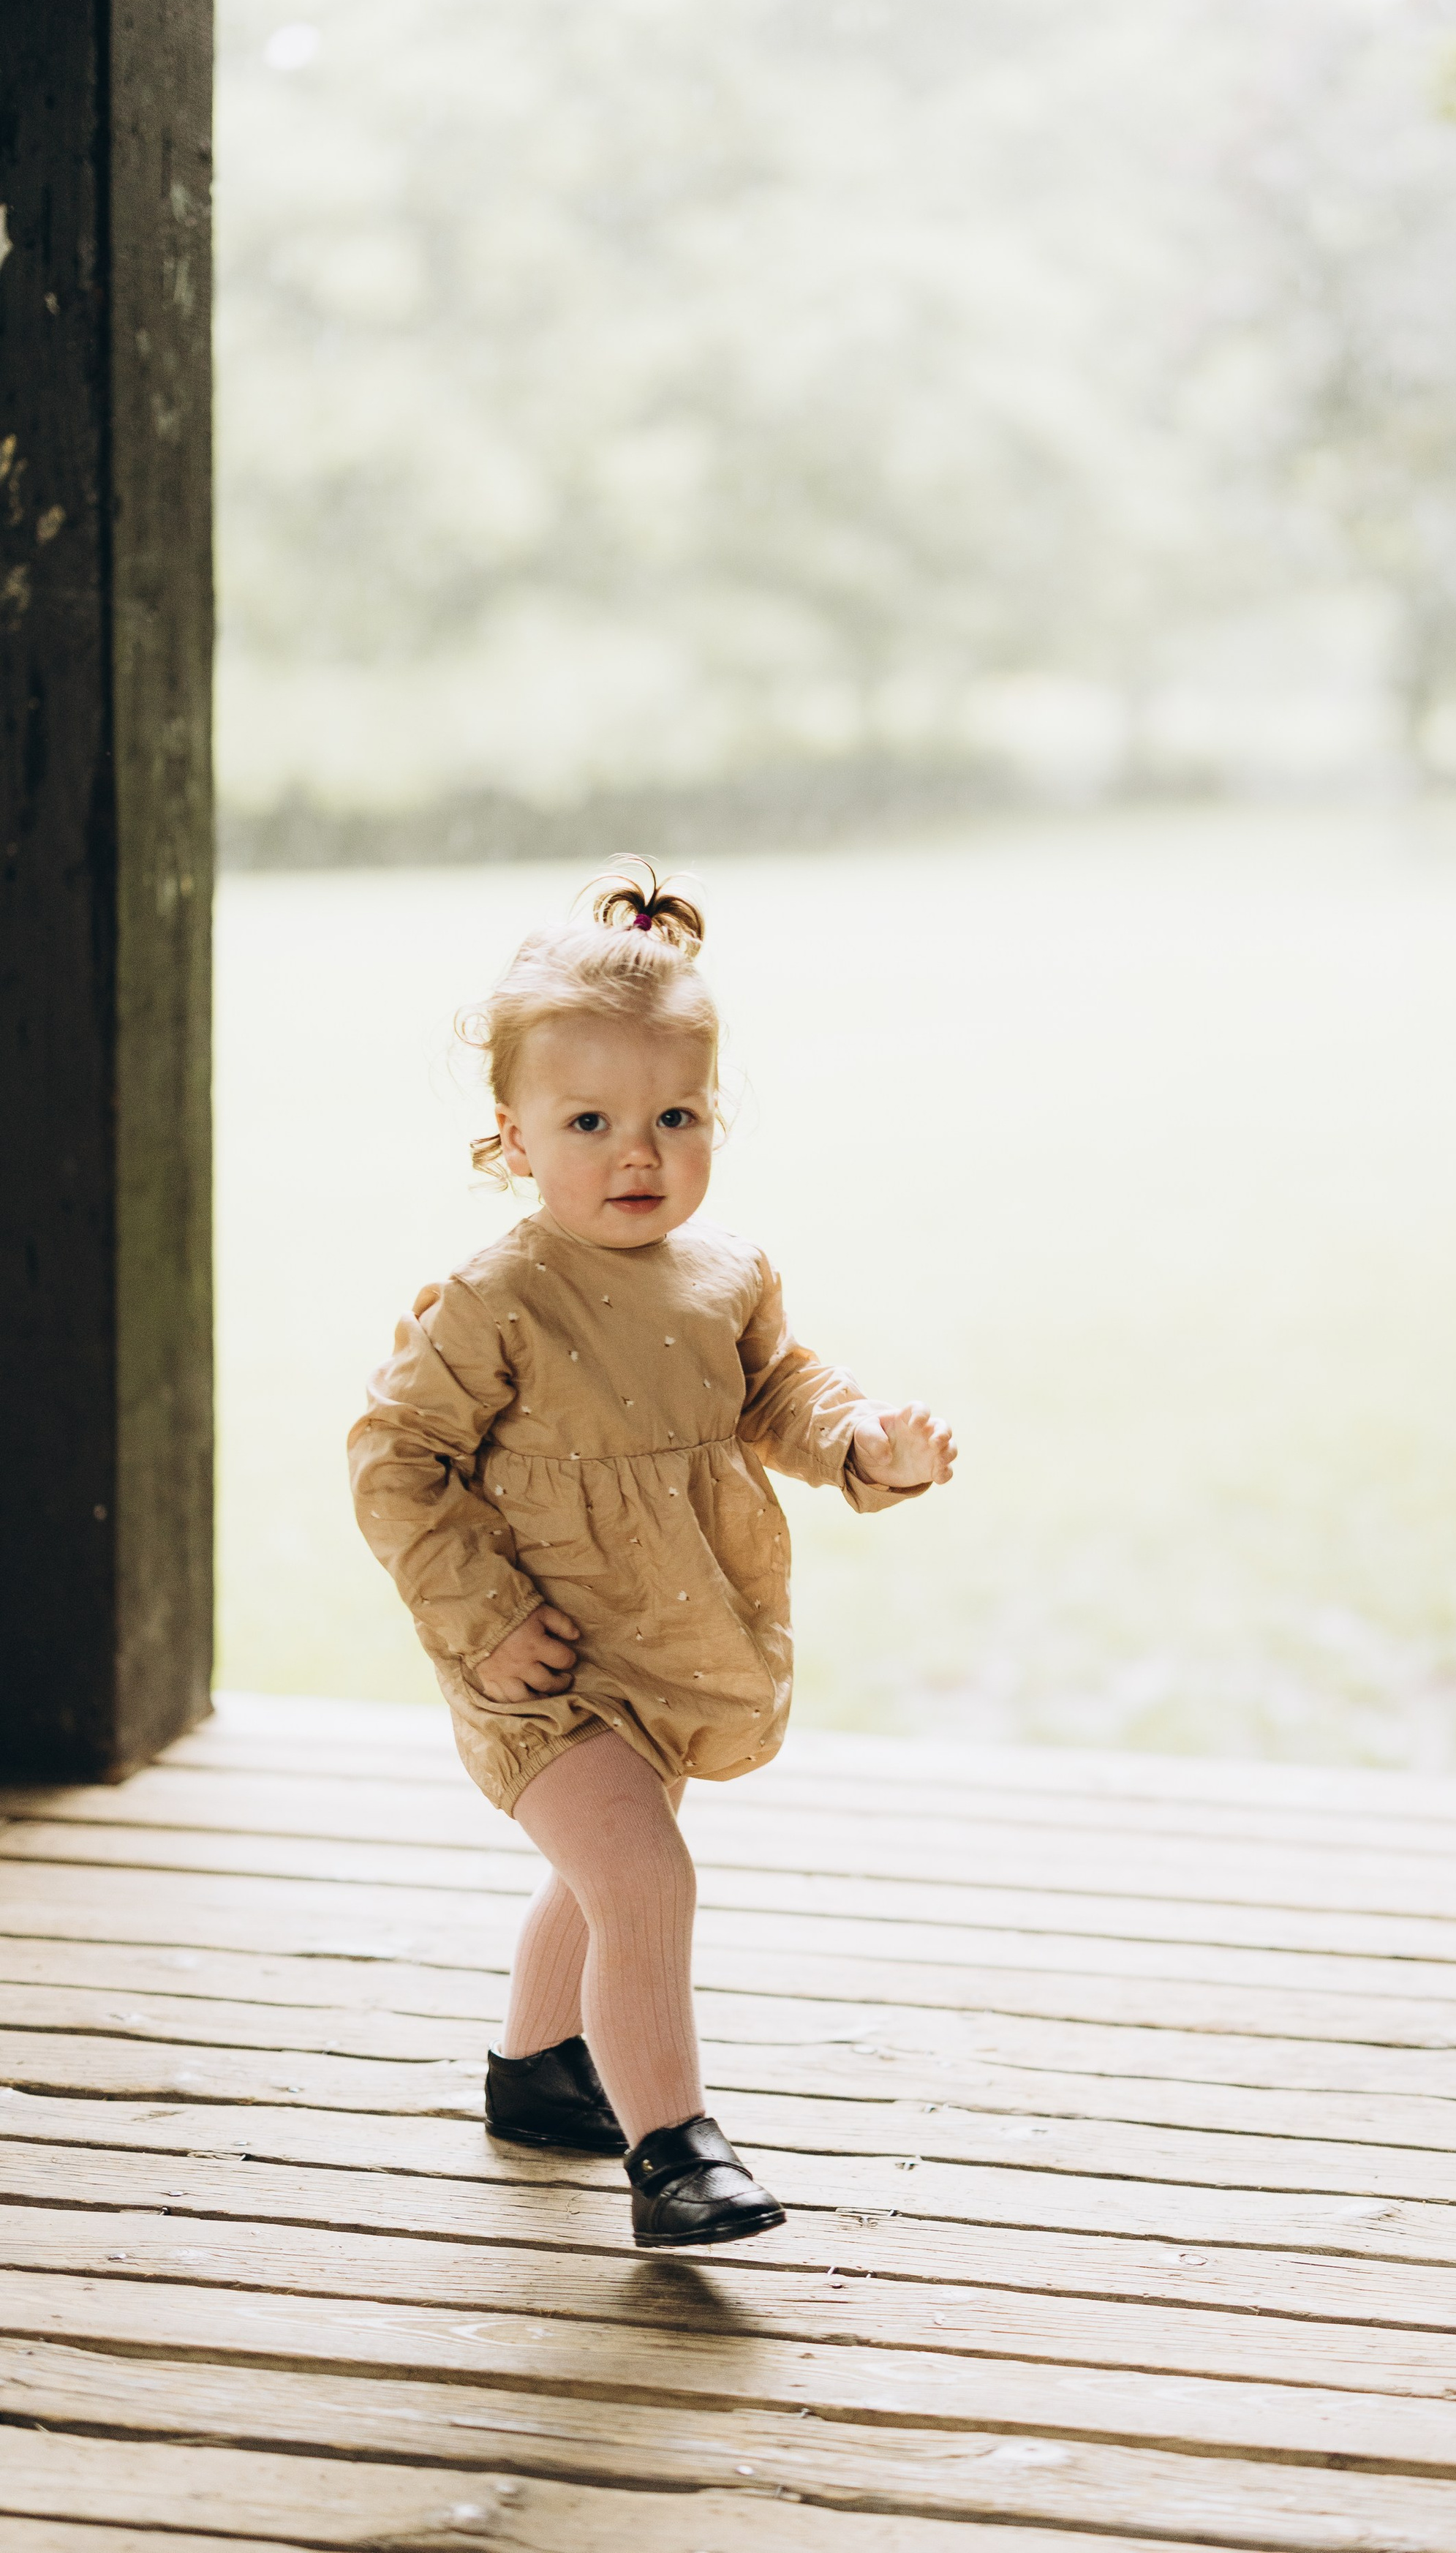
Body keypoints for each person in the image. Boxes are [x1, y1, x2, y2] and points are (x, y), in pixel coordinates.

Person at [349, 863, 955, 2246]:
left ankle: (534, 2071)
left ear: (714, 1116)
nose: (639, 1154)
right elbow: (396, 1463)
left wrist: (866, 1444)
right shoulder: (493, 1303)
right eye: (592, 1122)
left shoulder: (725, 1274)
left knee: (611, 1863)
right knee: (643, 1876)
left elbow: (778, 1394)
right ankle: (674, 2150)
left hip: (667, 1628)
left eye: (674, 1116)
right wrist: (484, 1616)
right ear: (511, 1140)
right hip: (540, 1656)